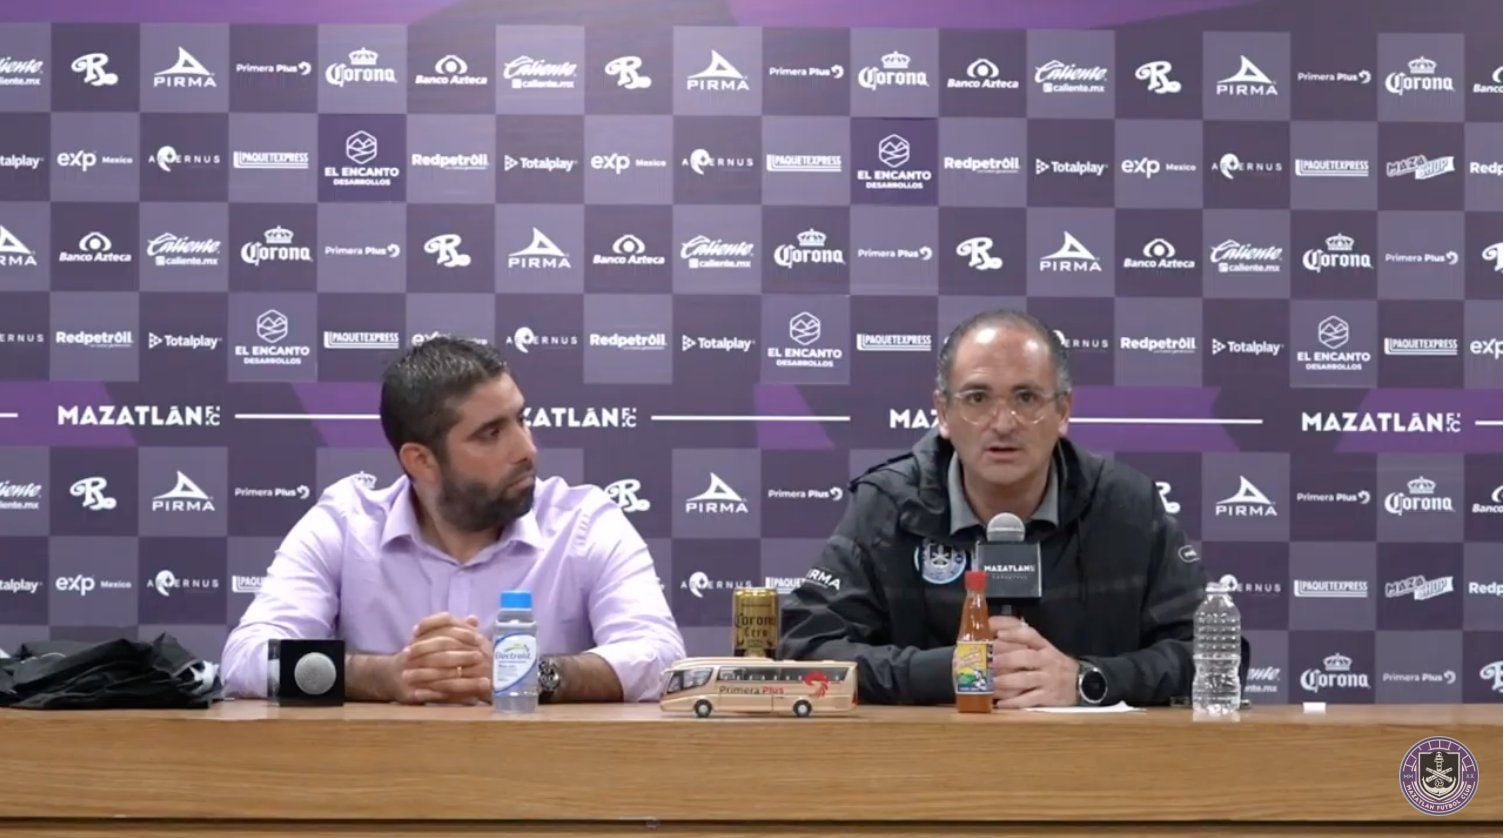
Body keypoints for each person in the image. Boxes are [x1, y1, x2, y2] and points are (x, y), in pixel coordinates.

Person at [779, 308, 1240, 707]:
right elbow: (805, 648)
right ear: (942, 412)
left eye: (1026, 398)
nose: (1003, 424)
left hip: (1091, 778)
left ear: (1063, 412)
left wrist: (1084, 680)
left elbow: (1218, 655)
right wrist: (959, 672)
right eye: (977, 398)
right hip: (924, 776)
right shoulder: (889, 505)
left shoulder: (1128, 506)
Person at [222, 337, 685, 704]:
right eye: (491, 433)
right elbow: (246, 658)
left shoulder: (585, 523)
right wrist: (384, 676)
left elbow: (661, 658)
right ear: (421, 461)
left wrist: (523, 673)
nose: (526, 448)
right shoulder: (344, 527)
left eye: (521, 419)